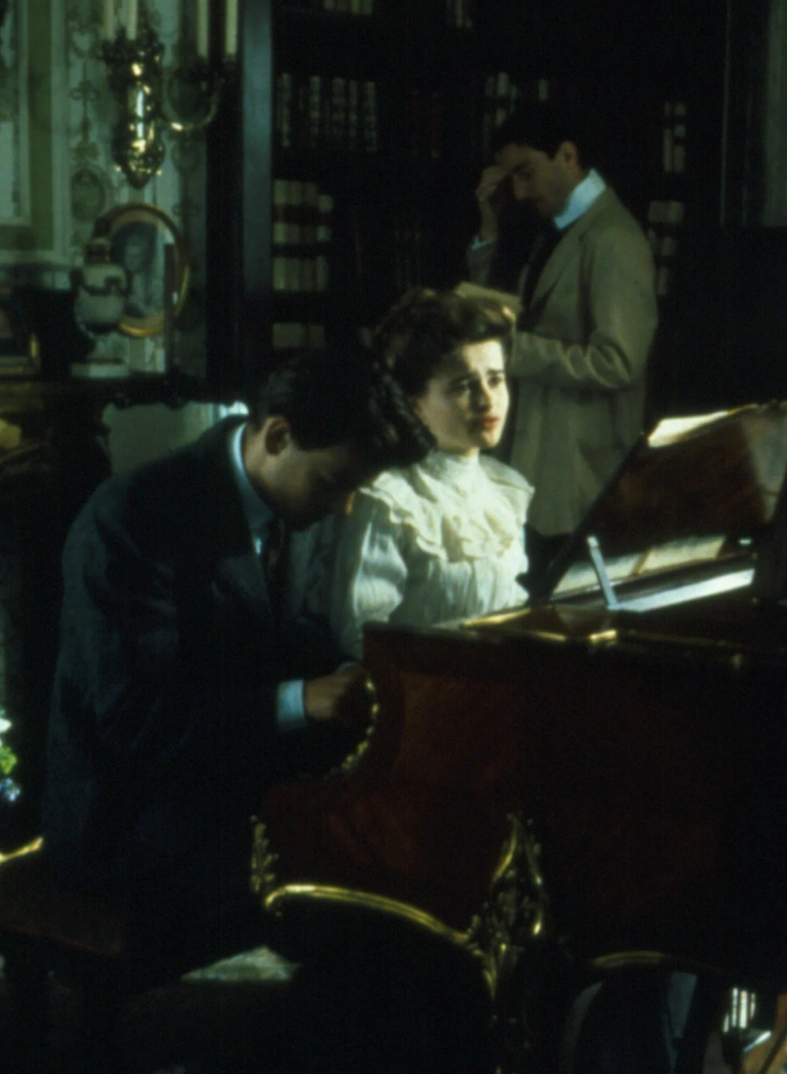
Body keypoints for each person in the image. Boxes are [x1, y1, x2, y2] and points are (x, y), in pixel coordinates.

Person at [43, 345, 433, 961]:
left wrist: (347, 673)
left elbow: (282, 634)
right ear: (277, 436)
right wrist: (299, 700)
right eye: (336, 483)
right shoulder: (132, 517)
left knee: (415, 857)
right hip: (131, 820)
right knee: (354, 899)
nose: (343, 508)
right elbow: (133, 721)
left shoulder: (291, 494)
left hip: (236, 785)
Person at [468, 101, 657, 571]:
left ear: (568, 155)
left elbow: (618, 362)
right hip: (539, 462)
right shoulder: (557, 228)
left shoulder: (613, 238)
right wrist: (490, 230)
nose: (519, 189)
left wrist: (514, 350)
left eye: (526, 173)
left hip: (577, 476)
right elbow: (512, 313)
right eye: (511, 177)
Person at [319, 287, 532, 655]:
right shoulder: (388, 499)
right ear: (414, 403)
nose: (487, 399)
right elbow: (363, 639)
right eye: (463, 386)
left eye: (496, 379)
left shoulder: (505, 491)